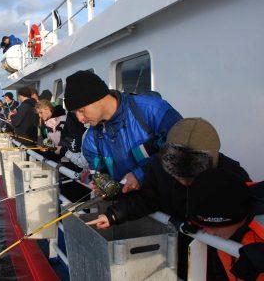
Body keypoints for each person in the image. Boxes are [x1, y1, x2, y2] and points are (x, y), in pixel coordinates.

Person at [86, 118, 251, 279]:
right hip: (179, 249)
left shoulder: (234, 177)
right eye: (179, 176)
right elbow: (147, 199)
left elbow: (244, 218)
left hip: (222, 257)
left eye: (191, 177)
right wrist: (113, 215)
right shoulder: (159, 170)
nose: (185, 182)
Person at [64, 70, 182, 193]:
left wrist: (141, 174)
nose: (79, 118)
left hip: (167, 201)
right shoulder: (91, 140)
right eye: (75, 113)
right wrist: (102, 184)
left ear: (99, 98)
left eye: (81, 110)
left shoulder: (153, 110)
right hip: (128, 205)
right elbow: (98, 172)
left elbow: (182, 152)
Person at [187, 169, 264, 280]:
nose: (208, 232)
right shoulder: (235, 192)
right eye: (203, 225)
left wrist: (259, 257)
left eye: (213, 226)